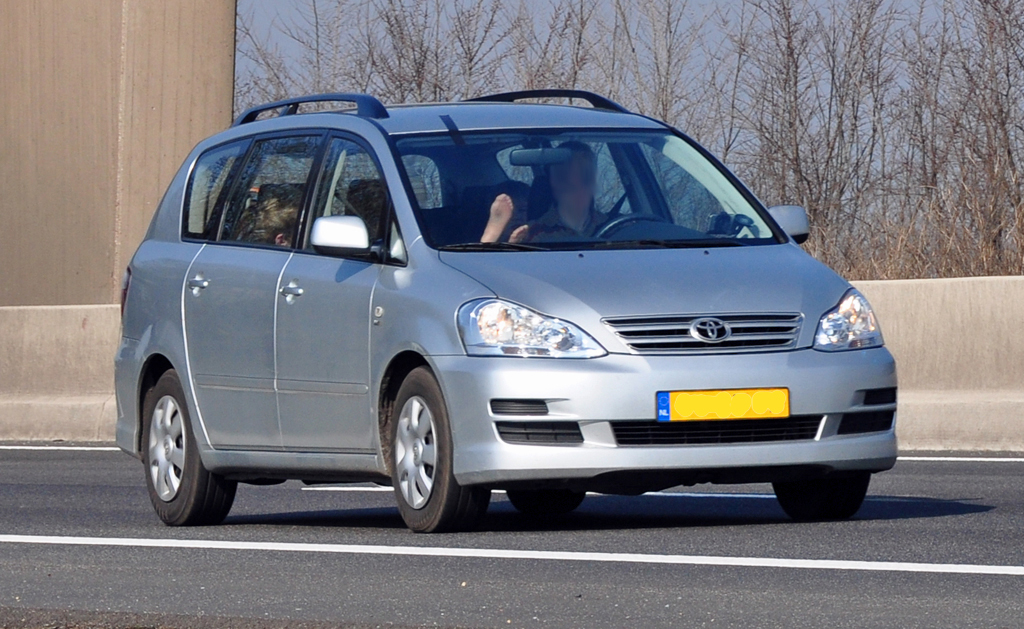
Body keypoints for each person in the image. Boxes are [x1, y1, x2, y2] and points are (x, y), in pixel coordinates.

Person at [480, 141, 603, 244]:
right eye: (565, 174)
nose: (575, 180)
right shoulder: (532, 232)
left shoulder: (611, 225)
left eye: (584, 173)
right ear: (552, 180)